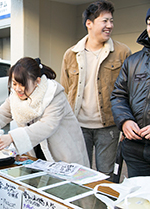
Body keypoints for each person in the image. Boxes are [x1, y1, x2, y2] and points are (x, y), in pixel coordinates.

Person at [60, 0, 131, 179]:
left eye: (111, 21)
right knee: (77, 174)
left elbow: (129, 92)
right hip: (78, 125)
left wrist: (125, 124)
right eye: (105, 21)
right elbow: (65, 90)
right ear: (89, 24)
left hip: (109, 127)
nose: (110, 26)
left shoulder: (123, 52)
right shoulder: (71, 54)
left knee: (106, 175)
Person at [0, 57, 89, 167]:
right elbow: (2, 112)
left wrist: (12, 137)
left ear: (37, 81)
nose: (18, 89)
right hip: (38, 157)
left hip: (64, 156)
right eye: (14, 83)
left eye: (22, 84)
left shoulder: (54, 95)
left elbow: (47, 125)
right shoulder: (15, 97)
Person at [110, 8, 150, 178]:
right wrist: (125, 121)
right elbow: (119, 95)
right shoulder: (133, 61)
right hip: (136, 149)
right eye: (149, 23)